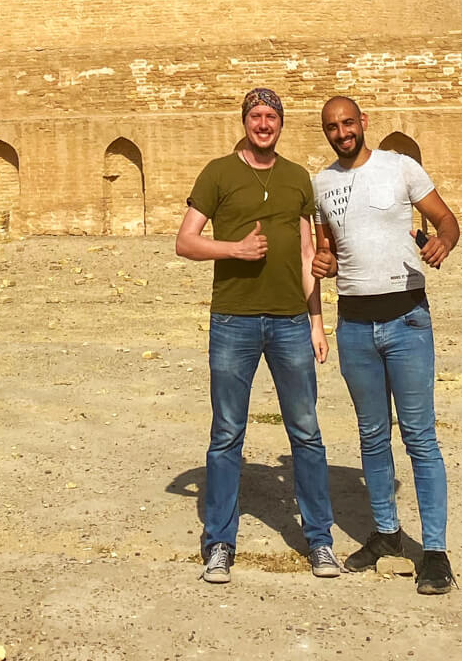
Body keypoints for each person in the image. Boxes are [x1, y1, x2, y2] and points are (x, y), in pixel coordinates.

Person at [176, 87, 338, 584]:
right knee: (227, 434)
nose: (263, 124)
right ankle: (220, 541)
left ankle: (320, 540)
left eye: (271, 116)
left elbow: (310, 253)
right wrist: (234, 250)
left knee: (306, 433)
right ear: (244, 122)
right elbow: (185, 241)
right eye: (256, 116)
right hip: (234, 320)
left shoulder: (296, 179)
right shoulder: (218, 172)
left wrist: (316, 320)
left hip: (291, 321)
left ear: (281, 124)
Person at [310, 95, 460, 596]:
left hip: (406, 319)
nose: (341, 132)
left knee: (420, 437)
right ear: (326, 132)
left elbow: (447, 220)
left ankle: (434, 551)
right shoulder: (321, 183)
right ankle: (387, 534)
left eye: (348, 123)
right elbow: (328, 249)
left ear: (363, 123)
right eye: (333, 126)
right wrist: (324, 265)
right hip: (354, 324)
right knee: (372, 436)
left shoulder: (401, 168)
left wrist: (444, 241)